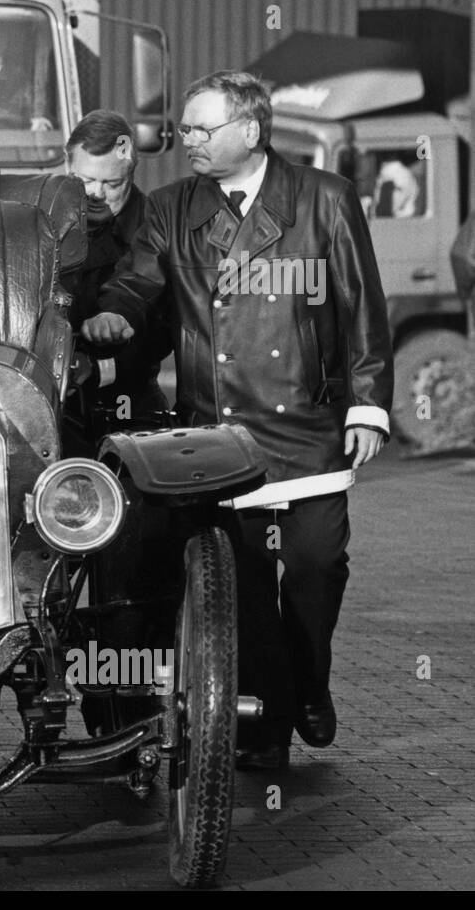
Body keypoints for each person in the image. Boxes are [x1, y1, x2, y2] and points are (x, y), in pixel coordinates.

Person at [83, 70, 393, 770]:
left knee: (317, 571)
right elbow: (139, 282)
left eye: (201, 129)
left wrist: (367, 404)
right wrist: (114, 314)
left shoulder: (325, 200)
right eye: (185, 129)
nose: (186, 140)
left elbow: (361, 307)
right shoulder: (171, 208)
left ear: (249, 131)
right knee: (244, 590)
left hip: (309, 426)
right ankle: (270, 724)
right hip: (222, 435)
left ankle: (309, 682)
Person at [63, 109, 171, 456]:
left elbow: (160, 332)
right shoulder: (43, 214)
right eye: (84, 180)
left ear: (131, 172)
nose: (95, 193)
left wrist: (96, 368)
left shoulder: (157, 230)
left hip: (127, 400)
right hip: (55, 401)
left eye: (111, 184)